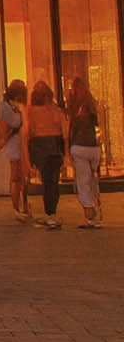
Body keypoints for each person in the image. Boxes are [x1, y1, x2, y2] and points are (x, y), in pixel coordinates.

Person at [27, 80, 66, 230]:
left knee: (47, 182)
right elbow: (65, 133)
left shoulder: (31, 112)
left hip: (40, 147)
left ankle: (50, 215)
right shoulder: (57, 111)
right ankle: (52, 214)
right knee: (53, 182)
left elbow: (28, 132)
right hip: (55, 146)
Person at [66, 76, 103, 228]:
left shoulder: (75, 106)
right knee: (92, 179)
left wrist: (68, 149)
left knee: (82, 181)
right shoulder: (92, 105)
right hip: (93, 147)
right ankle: (96, 208)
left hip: (79, 147)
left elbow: (70, 129)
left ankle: (89, 213)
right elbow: (99, 126)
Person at [0, 79, 28, 221]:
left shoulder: (19, 106)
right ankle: (16, 207)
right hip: (14, 143)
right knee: (15, 176)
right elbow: (5, 128)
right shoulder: (5, 107)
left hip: (22, 142)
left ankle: (24, 206)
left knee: (22, 176)